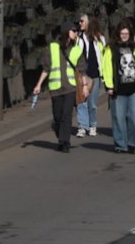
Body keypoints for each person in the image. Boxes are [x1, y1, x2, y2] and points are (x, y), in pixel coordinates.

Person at [32, 22, 85, 152]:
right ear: (67, 32)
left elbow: (81, 70)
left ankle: (64, 142)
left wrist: (84, 86)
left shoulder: (77, 50)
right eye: (74, 31)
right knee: (57, 116)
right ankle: (60, 133)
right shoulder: (52, 48)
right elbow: (46, 68)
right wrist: (38, 85)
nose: (76, 33)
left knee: (67, 114)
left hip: (70, 88)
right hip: (55, 88)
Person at [101, 20, 135, 154]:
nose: (124, 36)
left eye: (127, 33)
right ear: (118, 34)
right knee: (118, 117)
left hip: (134, 88)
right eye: (122, 33)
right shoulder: (110, 48)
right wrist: (109, 86)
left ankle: (132, 143)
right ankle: (121, 144)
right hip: (118, 89)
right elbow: (107, 68)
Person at [75, 13, 104, 138]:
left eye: (82, 21)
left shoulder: (100, 39)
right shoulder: (78, 38)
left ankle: (92, 125)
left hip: (95, 74)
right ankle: (82, 126)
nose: (80, 23)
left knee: (92, 103)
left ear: (88, 23)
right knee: (81, 101)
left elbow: (104, 57)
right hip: (83, 74)